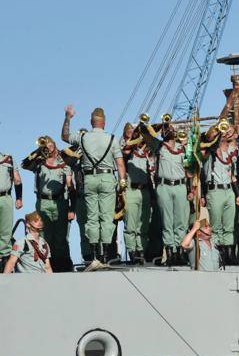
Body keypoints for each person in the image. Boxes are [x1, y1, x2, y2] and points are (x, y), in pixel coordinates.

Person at [61, 105, 127, 263]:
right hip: (107, 179)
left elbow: (64, 136)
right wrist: (122, 183)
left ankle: (93, 254)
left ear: (91, 122)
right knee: (106, 218)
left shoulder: (83, 138)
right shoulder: (112, 139)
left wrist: (68, 117)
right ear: (104, 122)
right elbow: (120, 165)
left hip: (89, 179)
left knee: (91, 218)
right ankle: (104, 254)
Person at [140, 116, 190, 266]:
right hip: (164, 186)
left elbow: (190, 170)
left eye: (170, 128)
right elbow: (143, 132)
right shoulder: (159, 146)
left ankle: (180, 252)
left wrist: (191, 189)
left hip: (180, 186)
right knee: (167, 222)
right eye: (167, 129)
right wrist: (160, 125)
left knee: (180, 221)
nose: (169, 131)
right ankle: (170, 252)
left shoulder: (183, 148)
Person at [22, 135, 74, 271]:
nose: (48, 149)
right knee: (45, 235)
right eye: (46, 146)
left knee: (61, 236)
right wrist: (38, 151)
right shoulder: (39, 162)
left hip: (60, 202)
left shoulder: (63, 162)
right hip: (43, 202)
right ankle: (45, 264)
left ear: (55, 146)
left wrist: (71, 208)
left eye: (50, 146)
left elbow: (70, 185)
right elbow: (24, 164)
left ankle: (62, 265)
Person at [199, 123, 239, 265]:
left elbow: (232, 174)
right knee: (216, 226)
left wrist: (238, 194)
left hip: (229, 190)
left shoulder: (229, 152)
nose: (222, 135)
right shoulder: (209, 151)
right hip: (215, 190)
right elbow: (202, 148)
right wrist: (215, 138)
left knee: (229, 225)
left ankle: (229, 253)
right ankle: (217, 254)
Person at [120, 123, 154, 265]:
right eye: (129, 131)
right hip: (132, 190)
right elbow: (125, 151)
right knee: (131, 224)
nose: (133, 133)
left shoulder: (147, 151)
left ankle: (141, 250)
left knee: (144, 223)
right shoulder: (127, 149)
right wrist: (133, 137)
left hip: (145, 190)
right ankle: (132, 251)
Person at [0, 147, 23, 264]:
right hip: (4, 196)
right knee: (5, 232)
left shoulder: (8, 159)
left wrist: (19, 198)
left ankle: (4, 260)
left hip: (6, 198)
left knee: (6, 231)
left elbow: (17, 180)